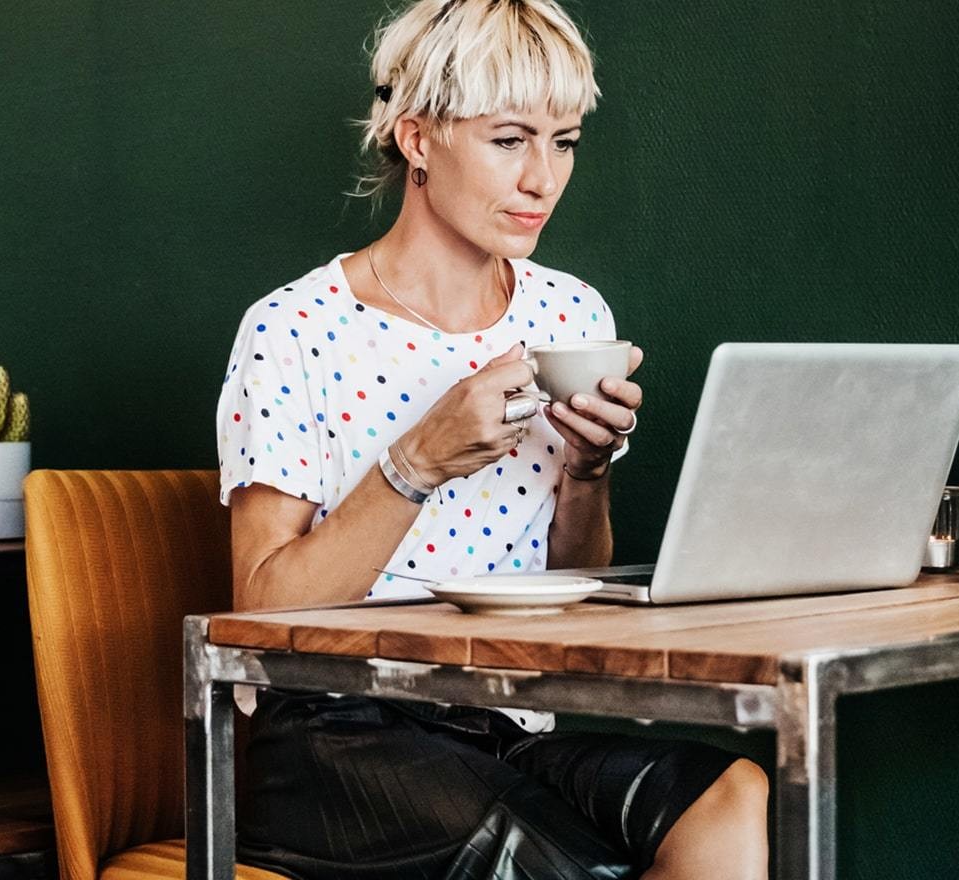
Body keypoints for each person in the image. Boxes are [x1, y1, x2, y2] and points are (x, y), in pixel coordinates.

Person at [215, 2, 768, 877]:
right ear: (417, 139)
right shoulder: (295, 327)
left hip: (505, 723)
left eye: (564, 141)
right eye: (510, 140)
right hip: (336, 735)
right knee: (570, 863)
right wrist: (413, 464)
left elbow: (572, 580)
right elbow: (259, 614)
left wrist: (587, 470)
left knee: (729, 797)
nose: (543, 178)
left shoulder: (571, 314)